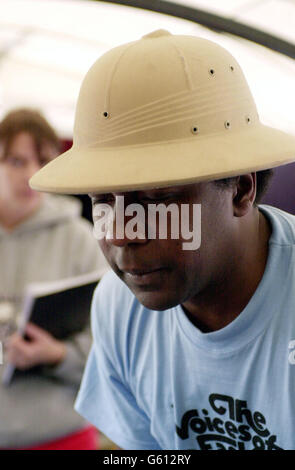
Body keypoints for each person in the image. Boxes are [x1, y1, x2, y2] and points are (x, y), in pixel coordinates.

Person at [30, 30, 295, 450]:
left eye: (157, 199)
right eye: (102, 200)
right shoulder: (120, 309)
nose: (120, 232)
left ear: (241, 191)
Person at [0, 108, 109, 449]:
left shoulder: (81, 239)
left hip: (59, 434)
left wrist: (59, 355)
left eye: (42, 161)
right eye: (17, 161)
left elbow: (114, 342)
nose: (31, 174)